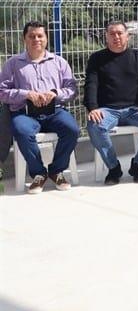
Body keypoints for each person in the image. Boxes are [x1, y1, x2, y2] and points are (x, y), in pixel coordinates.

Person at [0, 21, 79, 194]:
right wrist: (26, 94)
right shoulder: (13, 64)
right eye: (32, 36)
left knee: (72, 129)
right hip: (24, 113)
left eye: (40, 36)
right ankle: (38, 173)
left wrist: (55, 93)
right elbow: (2, 92)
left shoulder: (59, 62)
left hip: (55, 111)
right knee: (21, 130)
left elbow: (72, 89)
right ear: (24, 39)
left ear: (46, 38)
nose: (36, 39)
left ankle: (56, 170)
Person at [85, 20, 138, 185]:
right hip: (108, 110)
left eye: (120, 33)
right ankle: (113, 168)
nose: (116, 37)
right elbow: (91, 84)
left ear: (127, 36)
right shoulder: (96, 58)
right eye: (112, 34)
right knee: (94, 126)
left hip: (136, 109)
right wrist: (92, 108)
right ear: (106, 37)